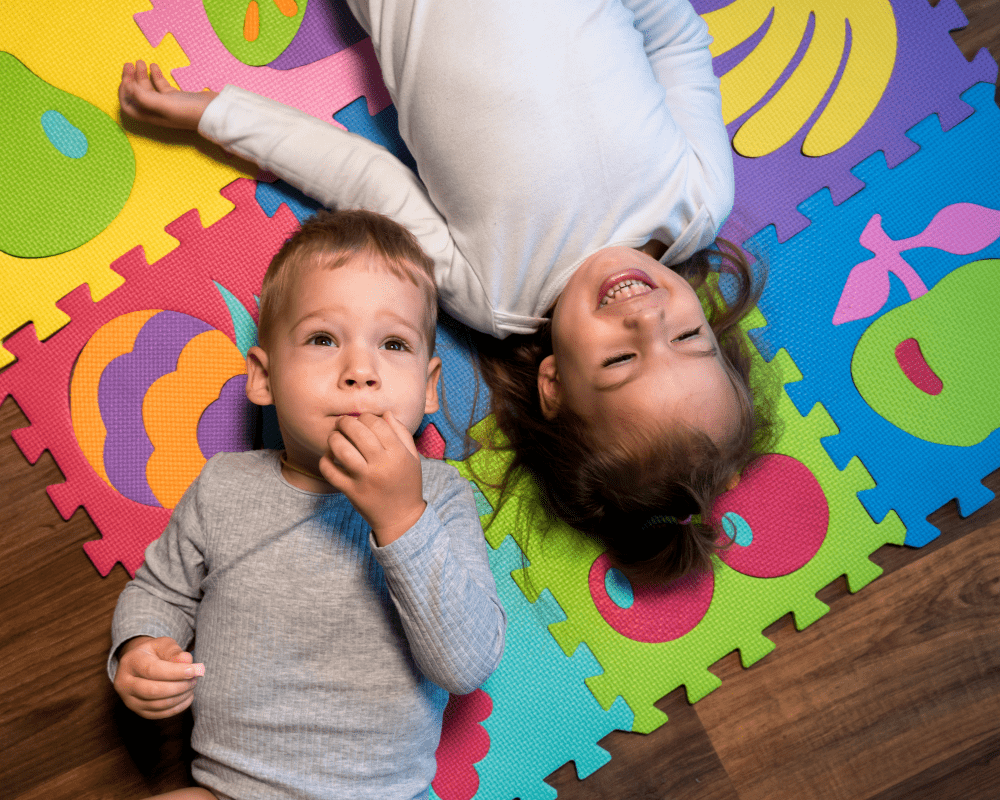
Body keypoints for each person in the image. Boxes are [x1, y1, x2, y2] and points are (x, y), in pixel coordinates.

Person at [118, 0, 773, 584]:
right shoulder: (697, 200)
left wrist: (217, 113)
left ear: (553, 384)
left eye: (620, 361)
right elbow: (677, 42)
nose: (646, 318)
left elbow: (362, 175)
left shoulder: (493, 289)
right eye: (688, 337)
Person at [108, 209, 506, 800]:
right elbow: (160, 592)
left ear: (427, 388)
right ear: (264, 378)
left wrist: (400, 519)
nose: (361, 371)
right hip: (230, 788)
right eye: (323, 339)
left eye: (393, 344)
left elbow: (468, 663)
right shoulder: (225, 486)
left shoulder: (440, 495)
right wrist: (140, 650)